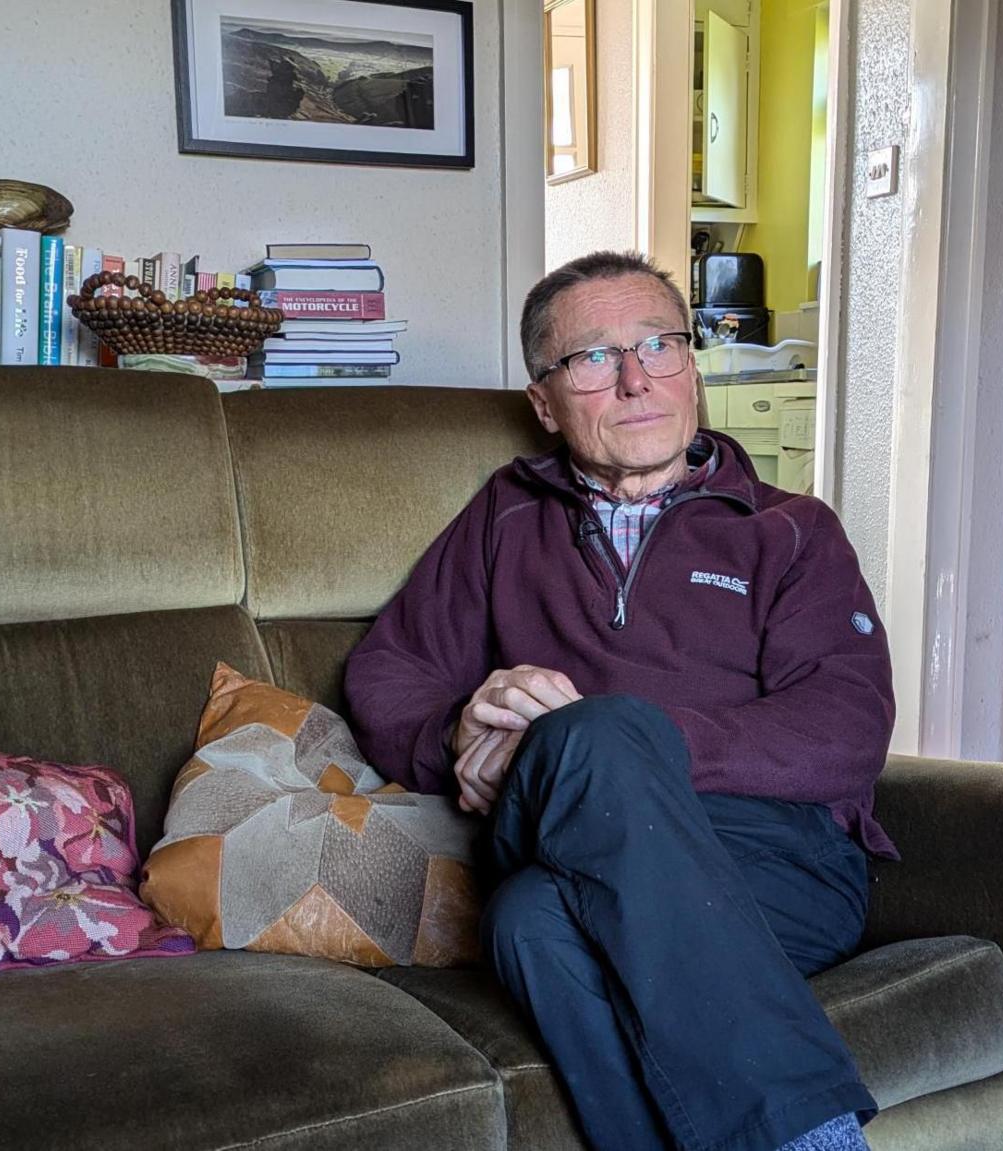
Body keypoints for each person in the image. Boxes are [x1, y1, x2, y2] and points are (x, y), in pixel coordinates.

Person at [345, 250, 896, 1151]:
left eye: (662, 346)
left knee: (527, 921)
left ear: (692, 364)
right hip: (568, 829)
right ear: (544, 401)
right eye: (594, 358)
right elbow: (386, 670)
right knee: (587, 758)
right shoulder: (506, 514)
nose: (638, 379)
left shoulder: (790, 530)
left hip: (780, 865)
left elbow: (845, 733)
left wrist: (621, 737)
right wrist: (459, 728)